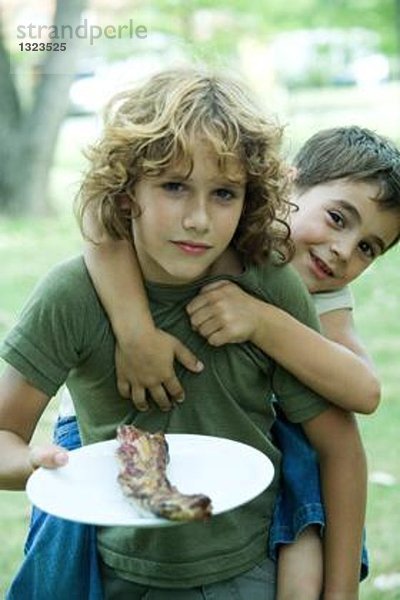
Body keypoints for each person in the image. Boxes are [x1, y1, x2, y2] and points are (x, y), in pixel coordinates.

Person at [0, 68, 366, 600]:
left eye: (223, 193)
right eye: (174, 186)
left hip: (249, 570)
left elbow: (337, 445)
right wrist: (32, 463)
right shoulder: (72, 296)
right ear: (129, 194)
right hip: (112, 574)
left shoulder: (267, 288)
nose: (198, 219)